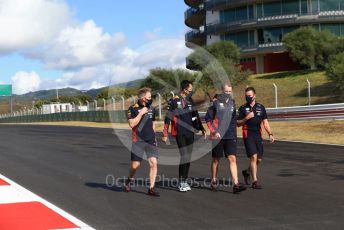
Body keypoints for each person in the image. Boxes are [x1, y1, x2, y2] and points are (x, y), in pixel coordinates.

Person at [162, 80, 206, 192]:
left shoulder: (190, 101)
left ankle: (185, 181)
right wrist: (165, 133)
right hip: (179, 132)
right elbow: (168, 117)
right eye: (190, 90)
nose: (191, 92)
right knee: (184, 156)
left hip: (190, 132)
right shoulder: (173, 101)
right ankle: (181, 182)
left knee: (188, 158)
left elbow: (195, 116)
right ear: (184, 89)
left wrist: (201, 128)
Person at [205, 83, 246, 193]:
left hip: (230, 135)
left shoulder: (232, 103)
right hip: (218, 137)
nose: (228, 93)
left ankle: (236, 184)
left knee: (232, 159)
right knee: (216, 160)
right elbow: (208, 118)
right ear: (222, 91)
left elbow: (233, 120)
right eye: (226, 91)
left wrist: (235, 133)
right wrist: (214, 131)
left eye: (230, 91)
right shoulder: (215, 103)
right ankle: (214, 179)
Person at [124, 87, 160, 196]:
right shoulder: (132, 108)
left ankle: (151, 188)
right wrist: (141, 113)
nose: (151, 99)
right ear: (143, 98)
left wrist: (154, 137)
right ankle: (129, 180)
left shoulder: (152, 109)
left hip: (150, 140)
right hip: (138, 141)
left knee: (153, 163)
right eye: (149, 97)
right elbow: (131, 124)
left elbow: (152, 123)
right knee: (135, 166)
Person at [237, 87, 275, 189]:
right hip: (247, 134)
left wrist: (270, 134)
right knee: (253, 157)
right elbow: (238, 123)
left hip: (258, 135)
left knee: (259, 159)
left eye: (249, 95)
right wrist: (246, 118)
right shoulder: (242, 108)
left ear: (254, 95)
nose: (247, 97)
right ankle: (255, 181)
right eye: (246, 96)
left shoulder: (261, 107)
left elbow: (265, 122)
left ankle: (247, 172)